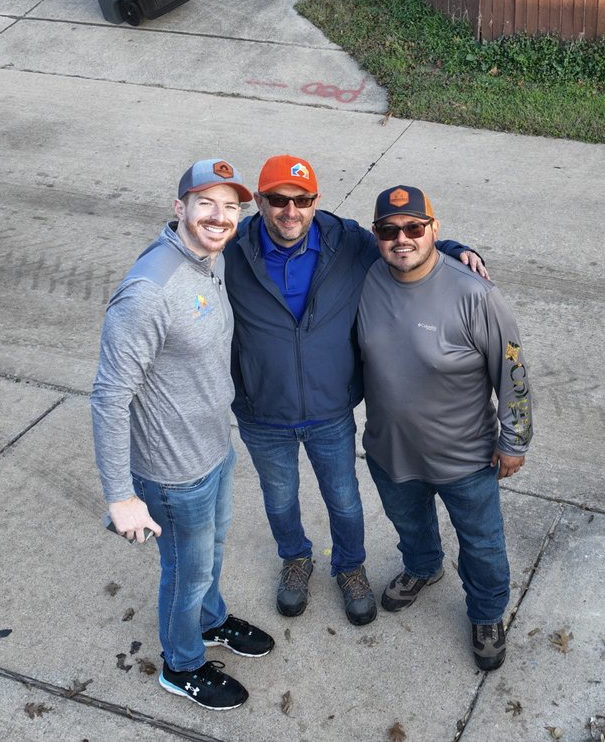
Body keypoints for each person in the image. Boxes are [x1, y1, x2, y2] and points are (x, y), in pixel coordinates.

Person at [223, 156, 489, 626]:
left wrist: (458, 248)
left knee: (344, 497)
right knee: (280, 497)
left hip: (329, 409)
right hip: (262, 411)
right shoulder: (232, 251)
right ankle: (296, 558)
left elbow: (404, 243)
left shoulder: (345, 242)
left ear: (315, 202)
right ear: (260, 203)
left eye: (301, 200)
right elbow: (186, 241)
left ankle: (350, 566)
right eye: (279, 200)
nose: (291, 211)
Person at [91, 159, 274, 711]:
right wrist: (121, 497)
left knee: (211, 553)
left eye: (231, 207)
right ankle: (182, 663)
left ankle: (212, 621)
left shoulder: (207, 257)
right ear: (179, 208)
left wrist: (451, 248)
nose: (220, 217)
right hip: (172, 473)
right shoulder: (150, 290)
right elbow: (108, 396)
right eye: (206, 203)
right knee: (185, 574)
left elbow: (305, 221)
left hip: (214, 448)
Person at [357, 184, 533, 670]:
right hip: (390, 452)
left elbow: (512, 372)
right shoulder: (367, 277)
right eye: (390, 230)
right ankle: (423, 567)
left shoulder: (476, 294)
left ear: (434, 229)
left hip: (465, 459)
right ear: (376, 236)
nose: (402, 239)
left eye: (415, 227)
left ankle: (487, 612)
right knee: (409, 524)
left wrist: (514, 440)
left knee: (481, 544)